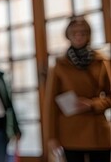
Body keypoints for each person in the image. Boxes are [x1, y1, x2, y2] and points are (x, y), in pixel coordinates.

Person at [44, 16, 111, 162]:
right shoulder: (59, 65)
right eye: (74, 32)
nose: (79, 36)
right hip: (71, 133)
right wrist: (51, 137)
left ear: (88, 35)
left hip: (97, 132)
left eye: (82, 32)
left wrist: (93, 104)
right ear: (68, 36)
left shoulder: (101, 61)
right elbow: (51, 105)